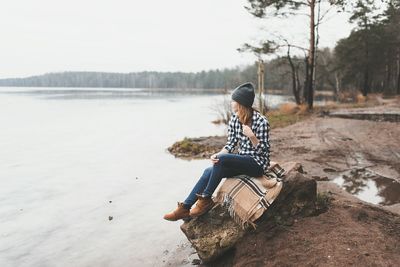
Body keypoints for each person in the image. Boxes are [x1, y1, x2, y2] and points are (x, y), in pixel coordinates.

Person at [163, 82, 275, 221]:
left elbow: (264, 151)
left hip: (257, 164)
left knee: (222, 161)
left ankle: (206, 199)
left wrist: (252, 136)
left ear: (240, 102)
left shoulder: (261, 121)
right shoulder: (235, 118)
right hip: (242, 161)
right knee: (208, 171)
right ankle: (185, 208)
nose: (231, 102)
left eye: (233, 100)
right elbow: (230, 144)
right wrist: (218, 155)